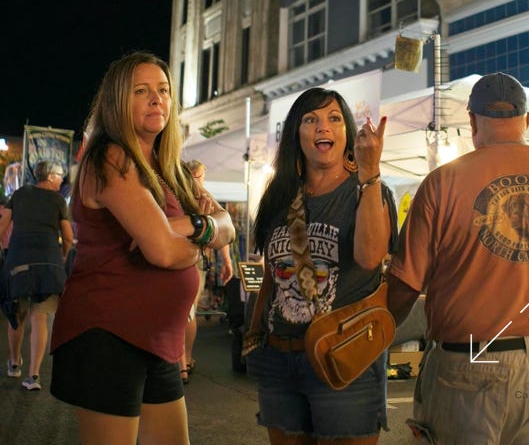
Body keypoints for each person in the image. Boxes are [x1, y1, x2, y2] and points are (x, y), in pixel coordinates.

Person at [386, 72, 529, 444]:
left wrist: (377, 338)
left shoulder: (442, 182)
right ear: (526, 120)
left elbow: (404, 285)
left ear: (472, 119)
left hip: (469, 366)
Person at [49, 51, 235, 445]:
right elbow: (163, 253)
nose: (156, 99)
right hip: (109, 334)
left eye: (163, 90)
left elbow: (227, 226)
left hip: (158, 340)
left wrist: (187, 226)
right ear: (118, 100)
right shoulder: (112, 157)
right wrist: (200, 243)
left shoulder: (172, 169)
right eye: (141, 91)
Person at [244, 87, 397, 445]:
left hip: (344, 359)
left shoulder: (367, 190)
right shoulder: (279, 197)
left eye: (334, 118)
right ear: (296, 135)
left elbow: (370, 257)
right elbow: (271, 275)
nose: (322, 127)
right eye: (310, 119)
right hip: (279, 357)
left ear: (347, 133)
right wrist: (256, 338)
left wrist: (370, 172)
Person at [0, 160, 74, 391]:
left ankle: (14, 364)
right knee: (40, 318)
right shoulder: (58, 200)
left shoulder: (20, 195)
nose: (62, 180)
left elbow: (2, 226)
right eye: (60, 175)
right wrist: (62, 256)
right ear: (50, 176)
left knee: (16, 315)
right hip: (48, 265)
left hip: (18, 263)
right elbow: (68, 236)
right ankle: (33, 376)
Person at [181, 159, 233, 383]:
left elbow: (222, 231)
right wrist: (227, 261)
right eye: (197, 176)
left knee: (183, 310)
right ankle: (184, 362)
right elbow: (221, 232)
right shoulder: (203, 198)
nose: (198, 180)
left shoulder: (181, 196)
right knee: (189, 311)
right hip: (194, 259)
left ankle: (181, 362)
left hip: (186, 259)